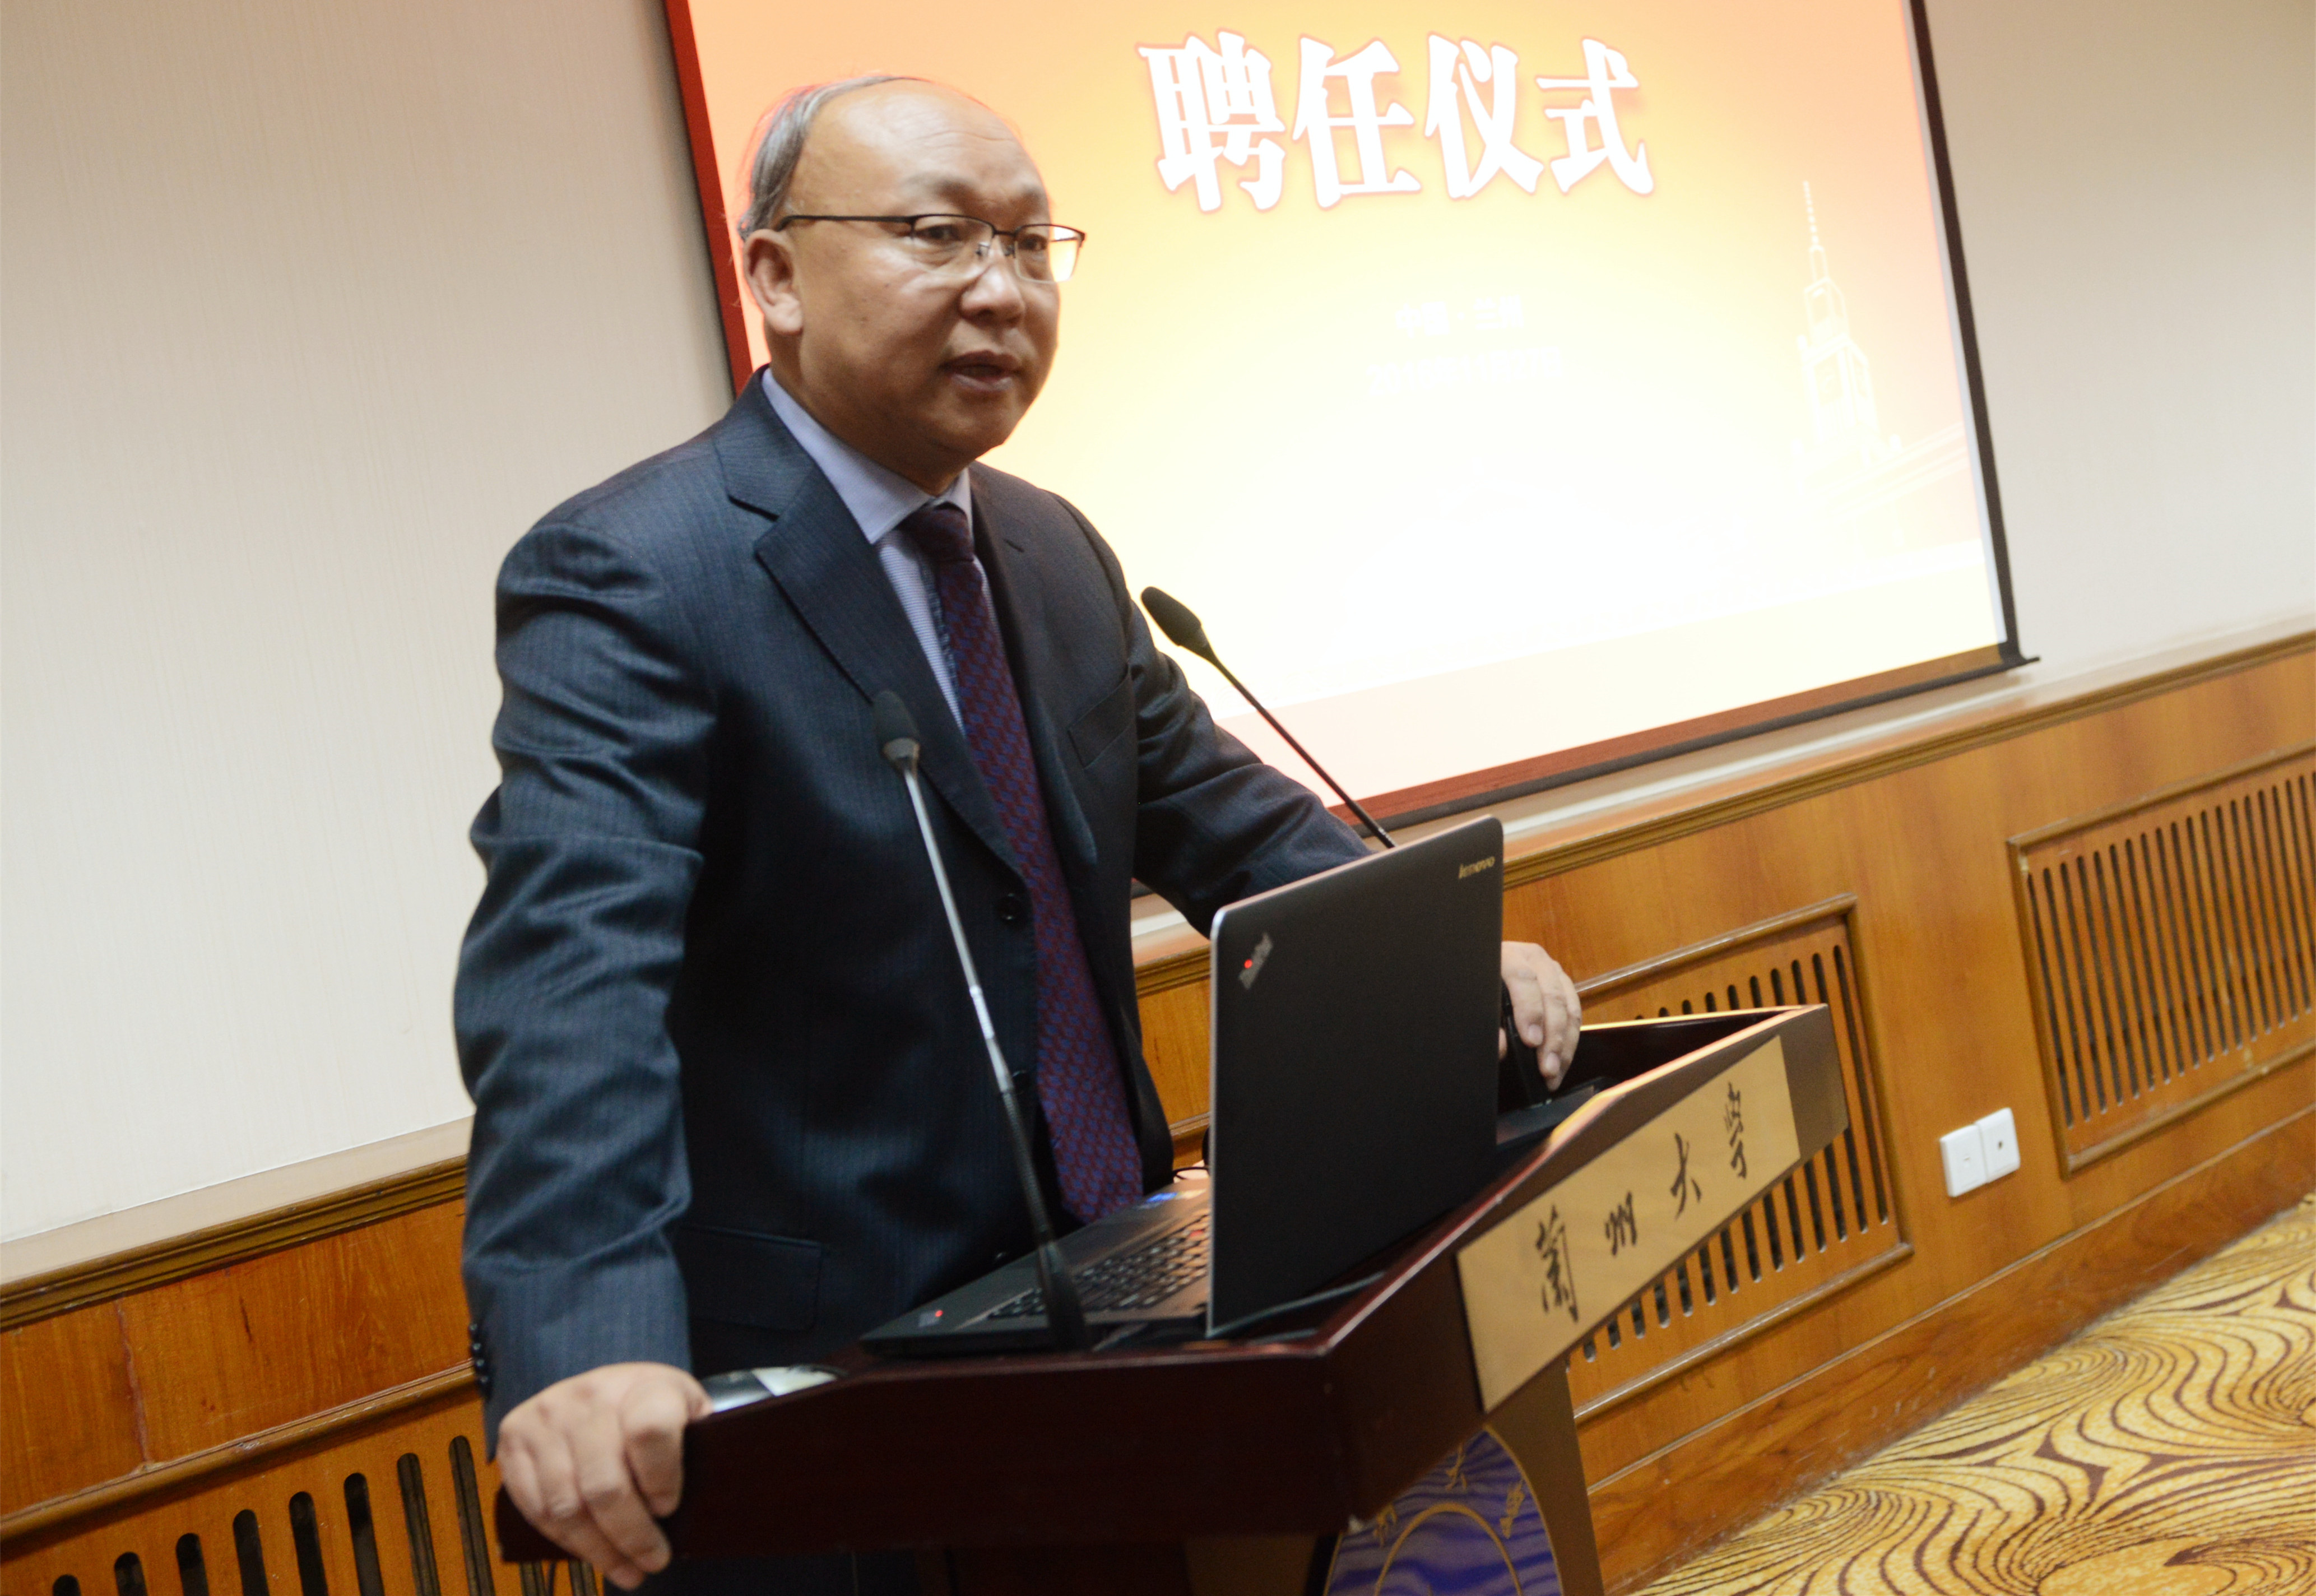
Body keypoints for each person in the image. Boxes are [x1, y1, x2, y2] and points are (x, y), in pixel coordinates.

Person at [455, 75, 1582, 1595]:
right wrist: (585, 1331)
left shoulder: (1048, 548)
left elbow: (1234, 826)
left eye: (1031, 244)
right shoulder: (639, 572)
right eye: (937, 236)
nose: (1000, 289)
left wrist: (1445, 962)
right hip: (846, 1411)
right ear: (775, 276)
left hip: (1118, 1336)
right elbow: (572, 971)